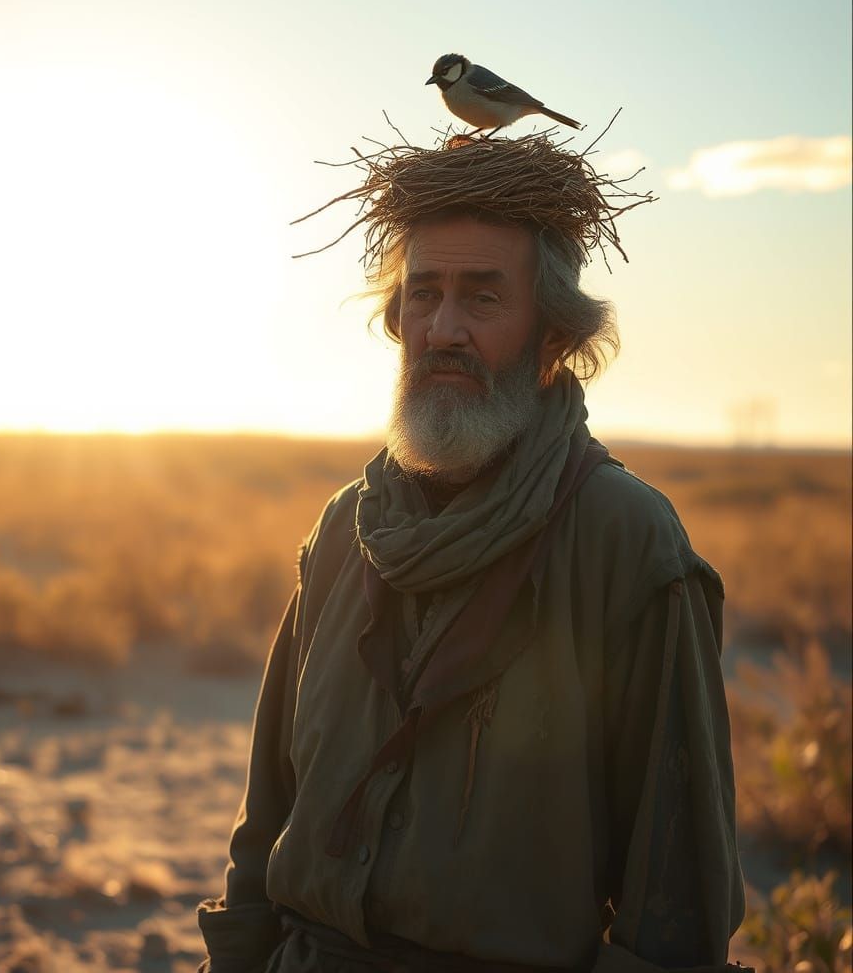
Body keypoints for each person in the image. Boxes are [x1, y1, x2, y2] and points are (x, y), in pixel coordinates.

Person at [197, 136, 748, 973]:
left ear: (553, 334)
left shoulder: (624, 542)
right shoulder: (347, 528)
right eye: (424, 294)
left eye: (483, 298)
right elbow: (267, 819)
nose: (443, 329)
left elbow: (678, 899)